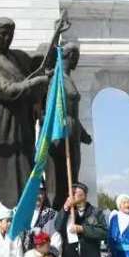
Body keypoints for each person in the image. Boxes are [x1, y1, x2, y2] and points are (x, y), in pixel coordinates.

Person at [0, 17, 62, 208]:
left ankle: (28, 214)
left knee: (24, 168)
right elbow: (7, 90)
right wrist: (35, 83)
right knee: (2, 176)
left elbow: (40, 65)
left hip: (21, 125)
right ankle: (2, 220)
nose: (7, 38)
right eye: (2, 34)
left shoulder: (18, 57)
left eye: (10, 34)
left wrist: (56, 35)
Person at [45, 42, 93, 211]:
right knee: (60, 177)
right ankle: (58, 214)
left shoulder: (68, 79)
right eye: (76, 57)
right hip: (61, 134)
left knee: (73, 175)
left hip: (73, 133)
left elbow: (73, 112)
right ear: (69, 56)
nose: (77, 61)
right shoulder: (56, 80)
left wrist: (83, 134)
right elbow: (51, 108)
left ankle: (70, 211)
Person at [18, 187, 59, 255]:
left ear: (44, 195)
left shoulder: (52, 215)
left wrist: (51, 255)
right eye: (34, 193)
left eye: (41, 193)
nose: (37, 196)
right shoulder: (20, 213)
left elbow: (56, 238)